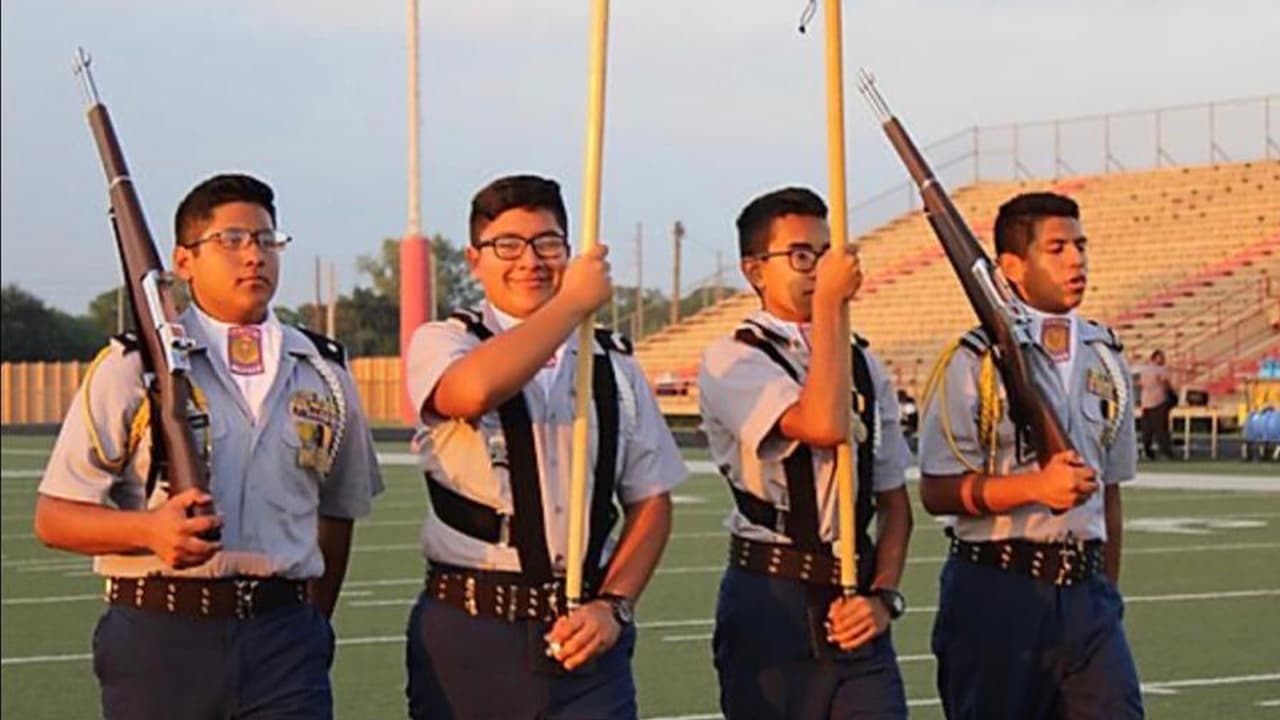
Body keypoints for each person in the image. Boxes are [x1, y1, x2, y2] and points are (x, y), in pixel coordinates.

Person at [33, 173, 384, 719]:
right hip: (160, 636)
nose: (255, 256)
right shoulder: (134, 368)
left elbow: (337, 514)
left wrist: (312, 622)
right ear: (183, 260)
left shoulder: (324, 373)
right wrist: (148, 530)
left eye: (268, 241)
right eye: (232, 240)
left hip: (285, 641)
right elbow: (54, 518)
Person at [403, 174, 687, 719]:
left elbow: (652, 501)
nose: (529, 260)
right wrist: (572, 304)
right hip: (471, 627)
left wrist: (614, 605)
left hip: (584, 632)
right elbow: (472, 391)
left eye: (548, 243)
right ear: (473, 259)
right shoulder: (445, 340)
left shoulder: (614, 364)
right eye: (507, 245)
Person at [918, 192, 1143, 719]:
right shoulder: (974, 359)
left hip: (1087, 597)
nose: (1077, 260)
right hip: (999, 587)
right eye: (1058, 248)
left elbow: (1108, 490)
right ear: (1012, 267)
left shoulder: (1105, 356)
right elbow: (937, 490)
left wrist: (1104, 589)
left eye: (1081, 245)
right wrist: (1034, 489)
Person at [698, 187, 913, 720]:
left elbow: (895, 508)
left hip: (852, 591)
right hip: (771, 594)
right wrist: (828, 308)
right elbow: (821, 423)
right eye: (800, 256)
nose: (817, 267)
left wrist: (883, 599)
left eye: (826, 252)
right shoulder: (734, 357)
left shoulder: (865, 363)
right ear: (755, 270)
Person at [1136, 349, 1177, 460]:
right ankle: (1159, 452)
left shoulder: (1146, 370)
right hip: (1154, 402)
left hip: (1152, 402)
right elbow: (1166, 384)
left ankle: (1154, 452)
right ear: (1155, 358)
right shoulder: (1159, 370)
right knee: (1156, 430)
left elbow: (1139, 383)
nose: (1163, 360)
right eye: (1161, 357)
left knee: (1153, 430)